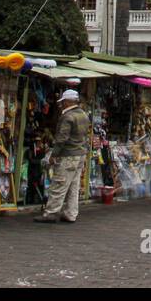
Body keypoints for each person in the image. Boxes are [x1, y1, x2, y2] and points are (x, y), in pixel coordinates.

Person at [35, 89, 87, 224]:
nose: (61, 104)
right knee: (73, 186)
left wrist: (54, 155)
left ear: (68, 102)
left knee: (59, 183)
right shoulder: (83, 115)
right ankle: (71, 213)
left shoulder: (68, 117)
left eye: (63, 102)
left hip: (68, 155)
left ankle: (51, 212)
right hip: (80, 154)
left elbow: (61, 139)